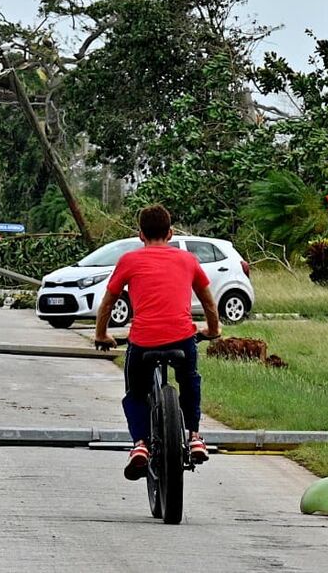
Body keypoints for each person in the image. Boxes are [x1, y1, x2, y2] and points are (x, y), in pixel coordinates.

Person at [94, 205, 220, 480]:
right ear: (171, 233)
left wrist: (101, 335)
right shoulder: (187, 260)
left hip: (143, 341)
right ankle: (195, 435)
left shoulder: (129, 260)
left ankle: (140, 444)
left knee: (135, 393)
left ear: (140, 235)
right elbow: (208, 300)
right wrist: (213, 329)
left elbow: (108, 303)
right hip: (182, 337)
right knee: (189, 379)